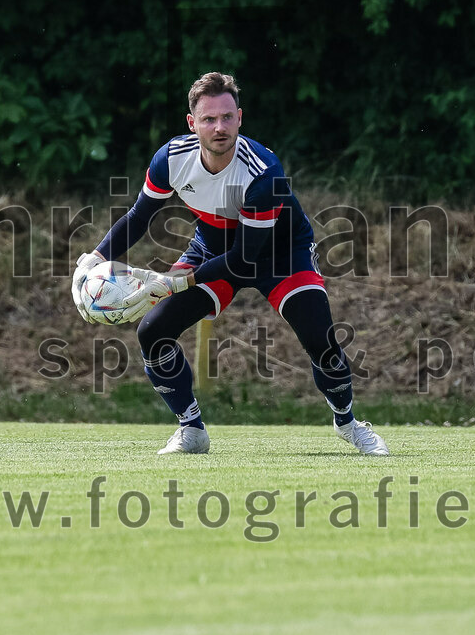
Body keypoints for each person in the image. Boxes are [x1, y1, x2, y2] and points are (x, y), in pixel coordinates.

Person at [70, 72, 389, 457]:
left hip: (281, 252)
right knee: (153, 333)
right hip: (213, 246)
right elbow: (139, 218)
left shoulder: (263, 172)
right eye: (208, 119)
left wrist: (173, 282)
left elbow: (244, 259)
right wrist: (93, 258)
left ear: (240, 117)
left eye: (226, 118)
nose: (218, 127)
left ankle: (349, 424)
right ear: (192, 124)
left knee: (320, 340)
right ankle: (192, 431)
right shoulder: (171, 159)